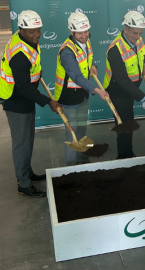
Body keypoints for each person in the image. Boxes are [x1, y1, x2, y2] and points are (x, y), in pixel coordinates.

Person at [0, 10, 60, 198]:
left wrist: (37, 74)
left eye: (38, 30)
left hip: (24, 98)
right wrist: (48, 101)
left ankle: (28, 172)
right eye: (32, 31)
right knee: (21, 143)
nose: (37, 34)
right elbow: (23, 87)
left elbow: (29, 73)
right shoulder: (19, 54)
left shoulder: (25, 41)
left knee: (28, 139)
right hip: (16, 101)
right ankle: (23, 183)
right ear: (21, 30)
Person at [54, 12, 108, 166]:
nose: (84, 35)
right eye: (80, 33)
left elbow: (85, 61)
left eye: (86, 32)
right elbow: (76, 76)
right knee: (72, 135)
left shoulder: (86, 42)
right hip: (69, 98)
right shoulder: (67, 51)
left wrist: (92, 66)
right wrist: (96, 90)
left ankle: (82, 157)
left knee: (81, 131)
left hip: (82, 95)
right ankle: (71, 168)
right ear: (72, 32)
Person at [103, 11, 145, 159]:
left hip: (131, 90)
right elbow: (122, 80)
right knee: (124, 126)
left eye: (140, 33)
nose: (138, 37)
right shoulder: (115, 49)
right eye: (134, 33)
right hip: (118, 91)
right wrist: (144, 98)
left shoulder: (138, 40)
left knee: (128, 122)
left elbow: (143, 54)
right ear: (125, 29)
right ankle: (124, 158)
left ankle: (128, 154)